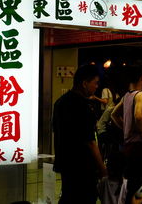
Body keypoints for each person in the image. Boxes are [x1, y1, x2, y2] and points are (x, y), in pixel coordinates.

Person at [52, 64, 107, 204]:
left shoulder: (60, 103)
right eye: (95, 83)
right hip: (83, 166)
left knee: (68, 196)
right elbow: (90, 141)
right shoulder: (84, 106)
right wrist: (102, 168)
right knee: (85, 198)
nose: (96, 87)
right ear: (84, 83)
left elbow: (56, 132)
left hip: (66, 163)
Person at [111, 64, 142, 204]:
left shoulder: (126, 96)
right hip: (141, 147)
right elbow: (138, 115)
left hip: (128, 147)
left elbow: (114, 115)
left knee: (132, 182)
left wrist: (126, 128)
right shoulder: (141, 95)